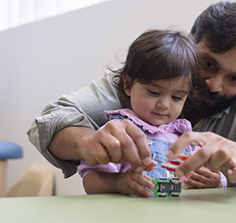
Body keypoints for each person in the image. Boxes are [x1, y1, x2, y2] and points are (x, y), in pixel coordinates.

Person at [27, 1, 236, 190]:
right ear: (189, 44)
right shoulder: (141, 77)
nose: (214, 85)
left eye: (235, 79)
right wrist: (87, 141)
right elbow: (48, 122)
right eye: (208, 64)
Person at [77, 29, 226, 197]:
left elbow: (212, 177)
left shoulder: (186, 137)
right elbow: (90, 181)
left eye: (177, 97)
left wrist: (216, 182)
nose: (164, 104)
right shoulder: (118, 132)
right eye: (154, 93)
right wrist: (119, 182)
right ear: (128, 84)